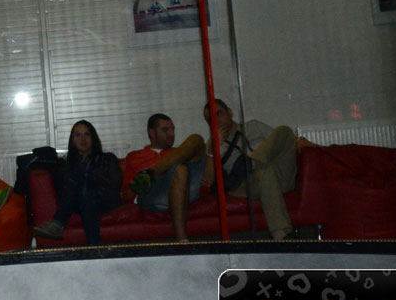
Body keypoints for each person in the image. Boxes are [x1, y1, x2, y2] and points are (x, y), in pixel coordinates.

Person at [202, 99, 302, 240]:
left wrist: (301, 141)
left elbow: (281, 142)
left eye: (219, 114)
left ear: (229, 112)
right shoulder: (212, 145)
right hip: (249, 183)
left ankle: (255, 161)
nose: (217, 121)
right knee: (264, 171)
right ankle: (282, 235)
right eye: (210, 120)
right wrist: (214, 147)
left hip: (280, 176)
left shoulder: (254, 126)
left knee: (284, 130)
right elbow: (208, 180)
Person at [32, 120, 123, 244]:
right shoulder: (66, 165)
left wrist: (89, 176)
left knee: (85, 183)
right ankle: (95, 248)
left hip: (106, 200)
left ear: (93, 138)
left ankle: (58, 224)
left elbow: (114, 183)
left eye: (87, 134)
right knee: (85, 197)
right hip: (80, 202)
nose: (83, 139)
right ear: (72, 140)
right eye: (78, 135)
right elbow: (63, 191)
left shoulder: (107, 158)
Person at [123, 113, 206, 242]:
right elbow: (128, 194)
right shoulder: (134, 156)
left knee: (197, 139)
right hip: (154, 196)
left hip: (185, 190)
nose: (171, 134)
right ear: (151, 132)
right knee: (180, 169)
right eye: (165, 130)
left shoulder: (181, 152)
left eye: (173, 129)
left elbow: (208, 181)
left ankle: (152, 173)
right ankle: (182, 240)